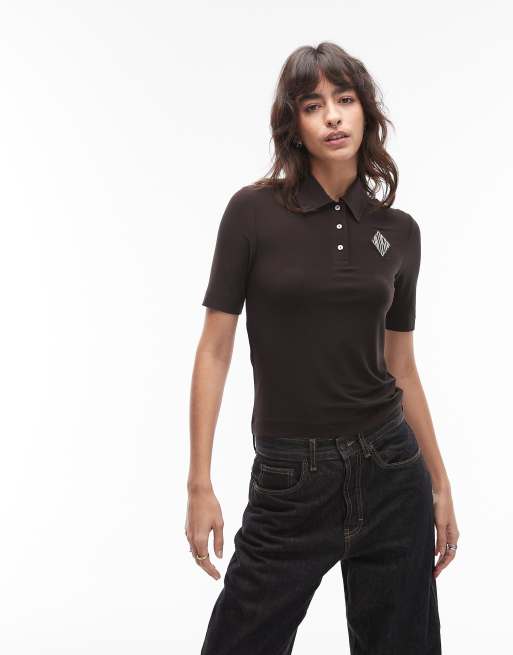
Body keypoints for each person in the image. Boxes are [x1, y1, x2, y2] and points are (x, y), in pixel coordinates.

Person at [186, 41, 459, 655]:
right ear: (295, 125)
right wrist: (199, 482)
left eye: (345, 99)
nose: (333, 116)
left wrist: (440, 482)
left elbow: (402, 367)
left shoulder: (399, 233)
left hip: (392, 469)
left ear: (366, 112)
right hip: (291, 477)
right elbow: (214, 350)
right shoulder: (252, 213)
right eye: (313, 106)